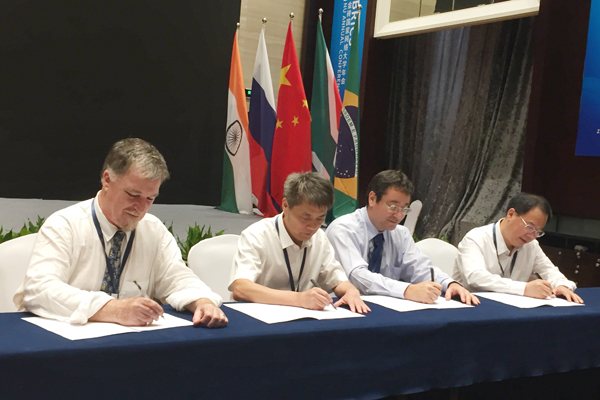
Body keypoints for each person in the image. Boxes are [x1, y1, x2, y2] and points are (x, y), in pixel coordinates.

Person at [14, 138, 228, 327]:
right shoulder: (65, 225)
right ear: (107, 180)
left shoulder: (153, 230)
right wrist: (112, 309)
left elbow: (177, 278)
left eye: (150, 199)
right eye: (133, 195)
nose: (141, 208)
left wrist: (202, 302)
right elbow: (39, 290)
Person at [326, 170, 479, 305]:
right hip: (344, 307)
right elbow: (358, 277)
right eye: (393, 207)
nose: (399, 215)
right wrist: (407, 290)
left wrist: (450, 284)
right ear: (372, 198)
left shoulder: (400, 233)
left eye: (405, 209)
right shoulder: (343, 229)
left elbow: (420, 268)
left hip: (388, 308)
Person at [229, 172, 370, 313]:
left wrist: (351, 292)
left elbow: (338, 279)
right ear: (285, 205)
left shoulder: (319, 238)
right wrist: (298, 299)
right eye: (305, 218)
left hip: (303, 317)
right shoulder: (257, 235)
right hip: (259, 316)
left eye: (319, 219)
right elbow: (240, 288)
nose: (312, 227)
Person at [453, 193, 583, 303]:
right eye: (530, 227)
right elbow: (475, 278)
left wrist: (562, 286)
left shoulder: (531, 245)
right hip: (474, 307)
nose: (531, 236)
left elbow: (550, 272)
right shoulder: (476, 238)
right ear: (510, 214)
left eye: (538, 232)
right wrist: (524, 289)